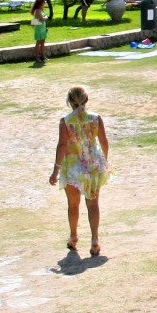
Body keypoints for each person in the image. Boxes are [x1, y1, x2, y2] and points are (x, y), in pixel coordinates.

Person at [49, 86, 110, 257]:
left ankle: (74, 236)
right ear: (86, 100)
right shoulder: (95, 119)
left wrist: (55, 170)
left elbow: (62, 146)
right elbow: (104, 142)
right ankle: (95, 240)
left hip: (73, 166)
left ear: (70, 103)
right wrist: (104, 160)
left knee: (73, 205)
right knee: (93, 205)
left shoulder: (65, 122)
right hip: (92, 165)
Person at [30, 0, 49, 64]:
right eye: (44, 1)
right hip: (39, 29)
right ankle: (37, 57)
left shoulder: (41, 10)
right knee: (38, 43)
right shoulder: (37, 10)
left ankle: (43, 56)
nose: (45, 3)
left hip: (43, 28)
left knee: (43, 42)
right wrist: (46, 17)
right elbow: (42, 19)